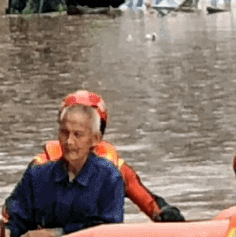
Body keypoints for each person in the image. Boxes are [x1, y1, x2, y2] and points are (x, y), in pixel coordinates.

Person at [28, 91, 185, 221]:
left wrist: (167, 214)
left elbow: (151, 205)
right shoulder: (41, 165)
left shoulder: (117, 169)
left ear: (97, 134)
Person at [2, 100, 125, 237]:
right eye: (64, 132)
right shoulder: (37, 175)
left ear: (95, 139)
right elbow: (18, 219)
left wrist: (56, 234)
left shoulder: (110, 178)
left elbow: (109, 230)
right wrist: (10, 232)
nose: (69, 142)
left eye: (78, 135)